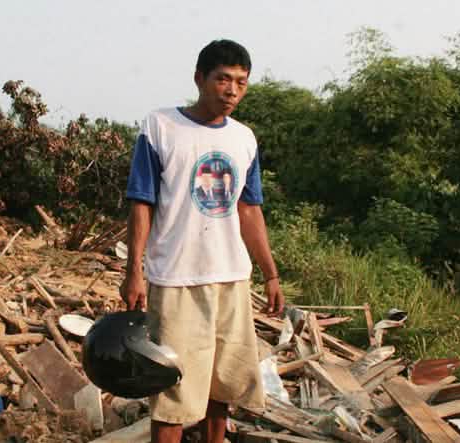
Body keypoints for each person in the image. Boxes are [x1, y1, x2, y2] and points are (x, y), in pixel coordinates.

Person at [121, 39, 284, 443]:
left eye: (241, 83)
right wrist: (133, 272)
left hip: (231, 278)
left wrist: (270, 274)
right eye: (223, 79)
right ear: (200, 79)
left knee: (223, 384)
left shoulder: (244, 140)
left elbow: (249, 210)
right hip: (177, 278)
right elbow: (142, 202)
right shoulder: (161, 127)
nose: (231, 90)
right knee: (172, 389)